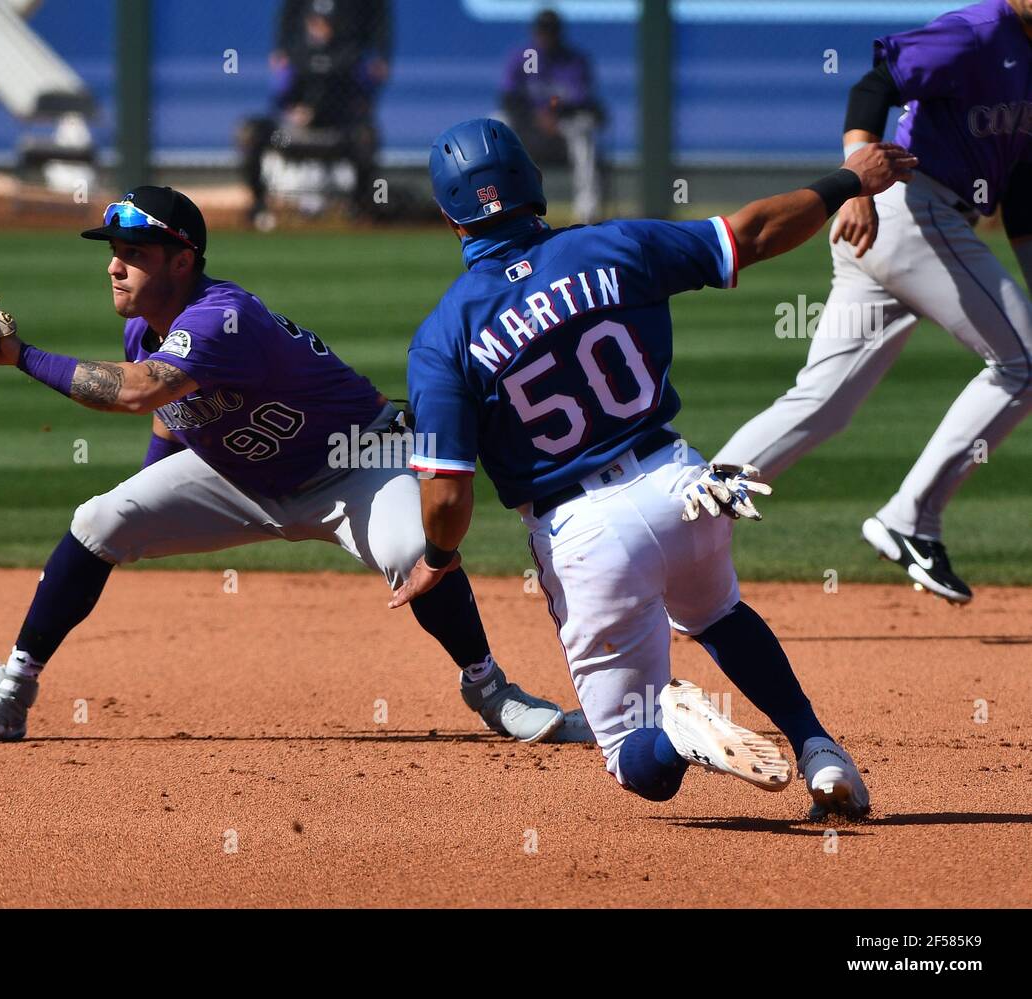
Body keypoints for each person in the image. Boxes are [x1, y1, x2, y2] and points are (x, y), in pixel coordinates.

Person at [390, 117, 917, 817]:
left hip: (585, 534)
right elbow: (753, 234)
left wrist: (436, 556)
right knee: (719, 611)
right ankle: (818, 748)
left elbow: (449, 494)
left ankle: (681, 735)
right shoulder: (614, 243)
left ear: (451, 220)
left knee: (637, 764)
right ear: (534, 184)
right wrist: (852, 179)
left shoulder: (443, 336)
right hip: (684, 486)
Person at [0, 185, 564, 745]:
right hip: (241, 478)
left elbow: (138, 392)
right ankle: (12, 689)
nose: (113, 265)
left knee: (413, 549)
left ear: (181, 260)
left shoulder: (221, 318)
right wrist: (149, 485)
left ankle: (491, 689)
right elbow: (170, 412)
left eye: (132, 251)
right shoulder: (145, 328)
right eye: (113, 250)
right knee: (100, 520)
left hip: (357, 463)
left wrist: (17, 354)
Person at [714, 0, 1032, 605]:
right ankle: (911, 518)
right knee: (1025, 362)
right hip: (914, 210)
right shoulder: (978, 31)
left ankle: (687, 529)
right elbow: (877, 82)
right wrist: (854, 179)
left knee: (823, 403)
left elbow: (1021, 189)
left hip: (913, 227)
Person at [237, 0, 390, 227]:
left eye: (327, 23)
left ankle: (358, 208)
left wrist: (340, 111)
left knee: (365, 136)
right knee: (250, 131)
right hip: (293, 133)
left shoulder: (352, 57)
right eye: (316, 22)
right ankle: (259, 205)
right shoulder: (292, 57)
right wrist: (292, 112)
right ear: (308, 23)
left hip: (337, 131)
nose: (321, 28)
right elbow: (279, 98)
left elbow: (362, 100)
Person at [498, 9, 606, 223]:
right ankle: (500, 206)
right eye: (542, 31)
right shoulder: (522, 57)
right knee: (497, 124)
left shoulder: (573, 60)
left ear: (559, 33)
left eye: (551, 31)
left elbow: (579, 100)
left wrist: (551, 111)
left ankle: (587, 212)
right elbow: (509, 97)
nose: (546, 36)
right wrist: (535, 115)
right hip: (527, 122)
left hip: (562, 123)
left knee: (583, 131)